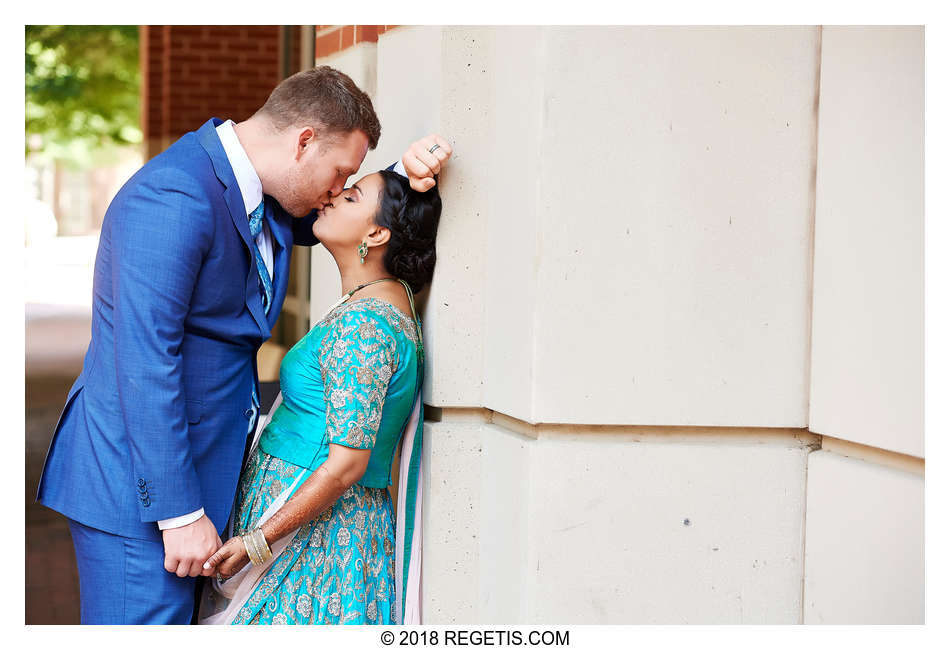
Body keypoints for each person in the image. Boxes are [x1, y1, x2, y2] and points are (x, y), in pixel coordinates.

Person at [35, 65, 452, 624]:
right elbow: (142, 363)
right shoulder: (173, 196)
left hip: (201, 473)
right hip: (137, 493)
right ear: (303, 141)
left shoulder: (269, 189)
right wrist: (179, 512)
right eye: (340, 173)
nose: (336, 192)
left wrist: (404, 173)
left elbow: (340, 220)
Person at [198, 169, 441, 625]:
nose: (330, 198)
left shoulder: (364, 327)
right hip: (313, 523)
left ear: (377, 232)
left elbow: (347, 464)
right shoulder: (371, 304)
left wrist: (258, 540)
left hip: (319, 539)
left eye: (349, 197)